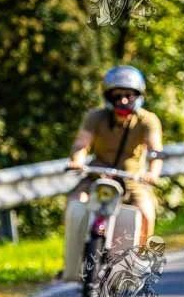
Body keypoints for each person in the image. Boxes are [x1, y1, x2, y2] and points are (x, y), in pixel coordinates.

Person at [66, 65, 164, 248]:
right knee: (75, 203)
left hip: (132, 180)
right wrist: (77, 161)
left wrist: (152, 173)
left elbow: (155, 151)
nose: (123, 100)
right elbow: (82, 144)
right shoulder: (95, 117)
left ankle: (141, 257)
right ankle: (74, 254)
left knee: (146, 213)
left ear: (138, 96)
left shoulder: (148, 120)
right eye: (117, 96)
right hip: (97, 176)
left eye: (129, 95)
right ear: (108, 96)